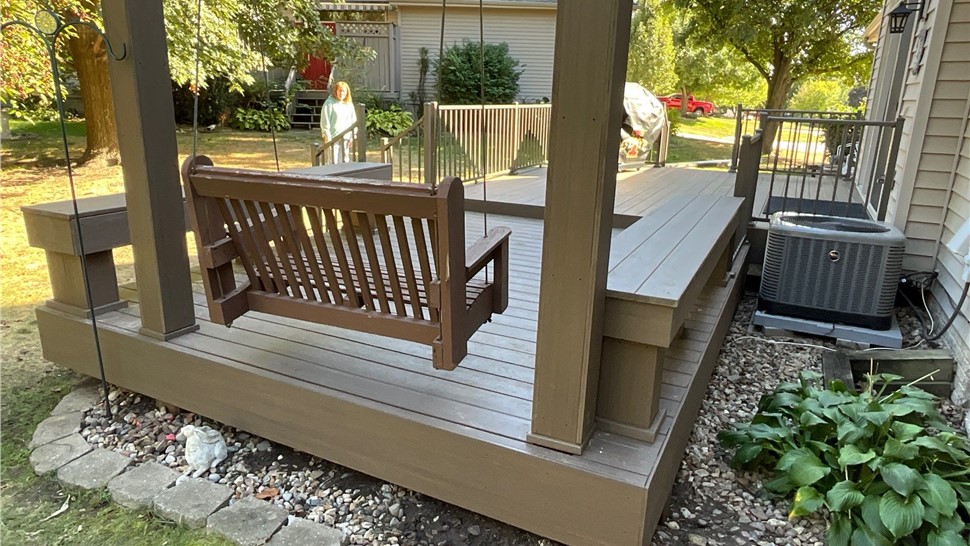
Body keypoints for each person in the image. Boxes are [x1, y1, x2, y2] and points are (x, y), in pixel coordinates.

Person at [320, 81, 357, 163]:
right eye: (340, 90)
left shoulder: (349, 104)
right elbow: (325, 121)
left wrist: (353, 136)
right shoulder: (329, 103)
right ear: (336, 91)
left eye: (344, 91)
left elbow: (353, 120)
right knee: (333, 161)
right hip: (333, 138)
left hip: (346, 137)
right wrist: (327, 136)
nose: (342, 93)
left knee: (345, 160)